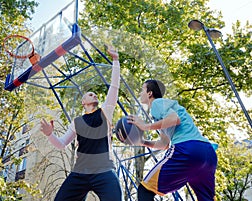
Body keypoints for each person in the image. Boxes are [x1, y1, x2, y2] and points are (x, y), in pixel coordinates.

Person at [40, 45, 122, 201]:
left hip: (104, 170)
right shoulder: (77, 122)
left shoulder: (105, 112)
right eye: (91, 94)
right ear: (84, 102)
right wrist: (50, 134)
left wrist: (115, 60)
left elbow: (114, 86)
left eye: (96, 94)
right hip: (81, 172)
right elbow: (61, 144)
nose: (95, 95)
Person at [127, 79, 218, 201]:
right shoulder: (164, 111)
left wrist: (145, 126)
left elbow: (175, 119)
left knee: (145, 189)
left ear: (150, 93)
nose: (140, 93)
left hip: (187, 150)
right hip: (207, 153)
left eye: (142, 89)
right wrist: (143, 142)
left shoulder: (157, 103)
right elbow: (164, 144)